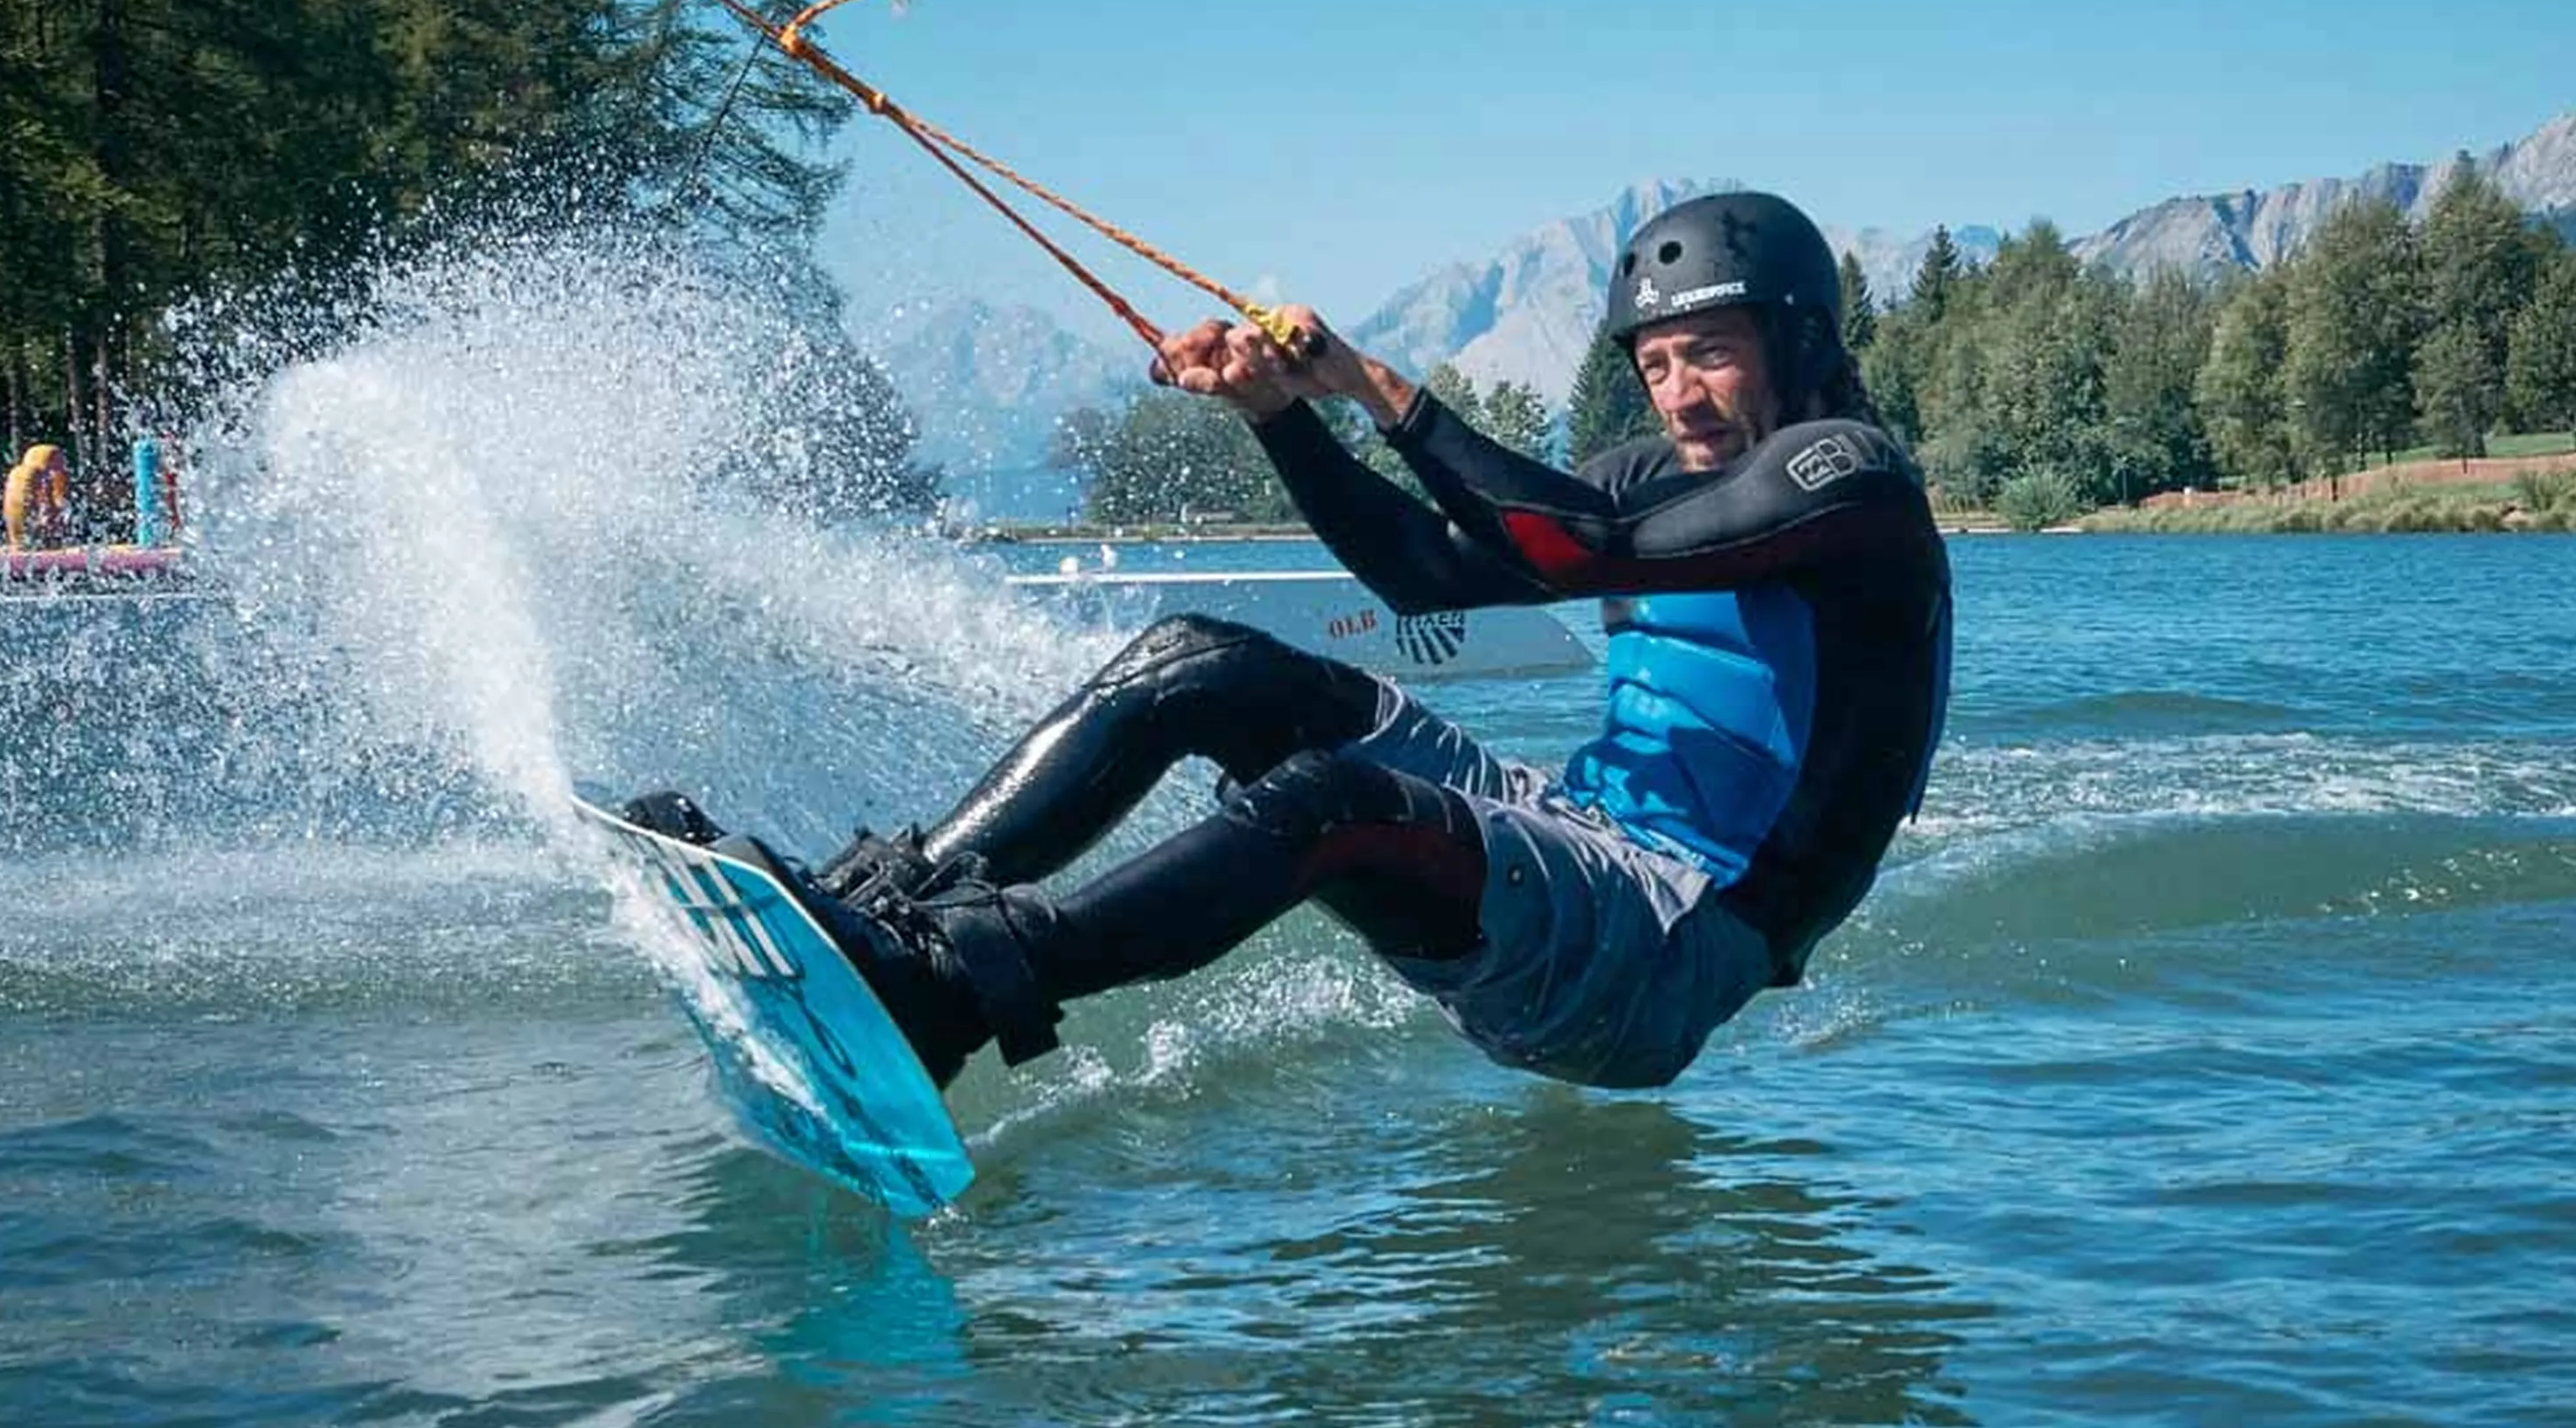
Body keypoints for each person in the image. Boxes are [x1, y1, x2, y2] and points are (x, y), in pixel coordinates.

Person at [630, 189, 1950, 1092]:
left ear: (1794, 340)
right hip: (1581, 843)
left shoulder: (1853, 480)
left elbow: (1571, 553)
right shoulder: (1640, 473)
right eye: (1656, 364)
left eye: (1708, 354)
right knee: (1196, 660)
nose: (1678, 393)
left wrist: (1373, 382)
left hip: (1673, 945)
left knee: (1328, 805)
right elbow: (1425, 569)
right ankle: (881, 913)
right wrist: (1281, 415)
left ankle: (950, 995)